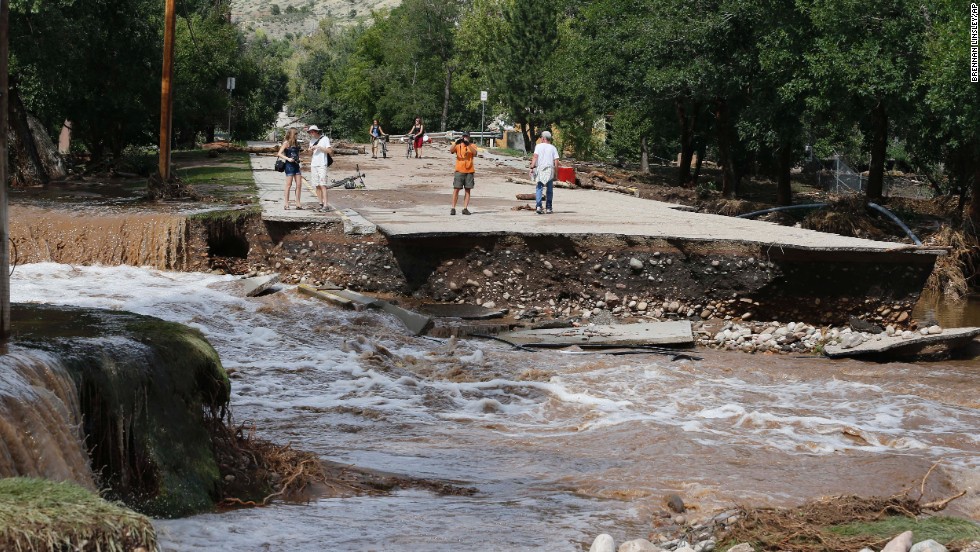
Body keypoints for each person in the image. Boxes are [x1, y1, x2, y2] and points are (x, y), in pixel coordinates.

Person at [529, 130, 560, 214]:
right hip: (549, 169)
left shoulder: (538, 146)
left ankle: (539, 206)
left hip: (541, 168)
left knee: (539, 187)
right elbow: (556, 161)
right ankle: (549, 207)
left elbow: (535, 156)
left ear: (543, 138)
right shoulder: (553, 148)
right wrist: (556, 173)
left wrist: (532, 167)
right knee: (549, 189)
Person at [449, 131, 478, 215]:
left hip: (469, 171)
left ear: (469, 137)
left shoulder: (472, 145)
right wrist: (456, 143)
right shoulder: (458, 145)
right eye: (464, 136)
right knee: (456, 189)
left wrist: (468, 144)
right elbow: (451, 150)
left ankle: (465, 208)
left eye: (467, 137)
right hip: (459, 170)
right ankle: (453, 208)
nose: (465, 138)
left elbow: (475, 153)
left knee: (468, 190)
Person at [307, 125, 333, 211]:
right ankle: (320, 203)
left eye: (313, 132)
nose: (311, 133)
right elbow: (310, 154)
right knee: (317, 185)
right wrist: (311, 150)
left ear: (317, 131)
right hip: (314, 164)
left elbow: (329, 151)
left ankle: (326, 205)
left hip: (322, 164)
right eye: (310, 132)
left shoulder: (325, 139)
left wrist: (320, 147)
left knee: (323, 184)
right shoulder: (312, 141)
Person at [277, 128, 302, 209]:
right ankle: (286, 203)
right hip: (289, 166)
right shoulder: (286, 143)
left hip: (296, 165)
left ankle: (298, 203)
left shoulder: (296, 143)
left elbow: (297, 153)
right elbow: (279, 153)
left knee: (299, 184)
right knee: (288, 185)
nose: (296, 136)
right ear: (291, 134)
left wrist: (299, 158)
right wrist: (288, 158)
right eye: (295, 134)